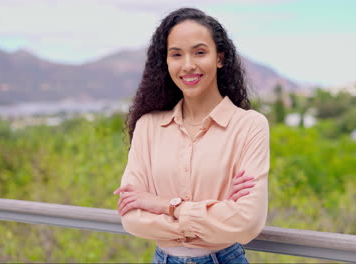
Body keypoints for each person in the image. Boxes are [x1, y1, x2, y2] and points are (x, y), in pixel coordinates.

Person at [113, 7, 270, 264]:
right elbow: (132, 217)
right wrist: (215, 212)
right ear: (166, 61)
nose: (188, 65)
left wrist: (166, 206)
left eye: (199, 52)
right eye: (176, 54)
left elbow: (247, 223)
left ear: (219, 58)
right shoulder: (148, 127)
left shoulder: (249, 126)